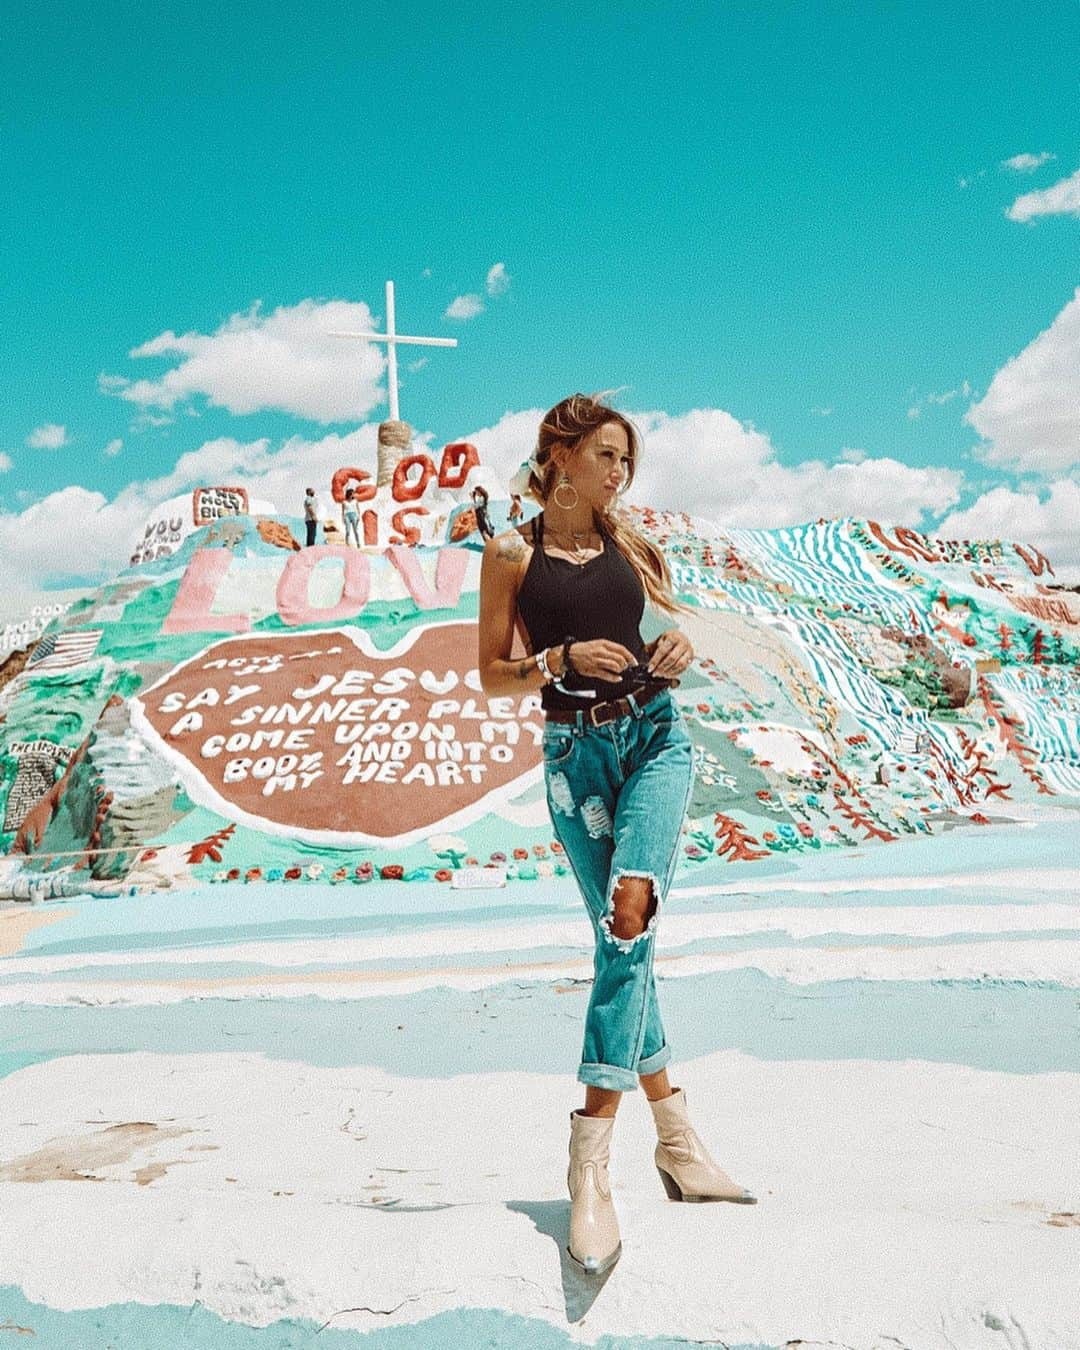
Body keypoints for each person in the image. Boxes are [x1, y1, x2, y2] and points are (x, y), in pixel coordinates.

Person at [478, 393, 756, 1278]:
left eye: (626, 460)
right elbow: (490, 675)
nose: (618, 473)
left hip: (658, 739)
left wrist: (675, 651)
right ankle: (675, 1139)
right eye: (604, 456)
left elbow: (663, 631)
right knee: (622, 946)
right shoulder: (510, 551)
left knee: (630, 916)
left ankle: (587, 1170)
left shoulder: (628, 542)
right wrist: (556, 661)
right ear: (559, 458)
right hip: (574, 760)